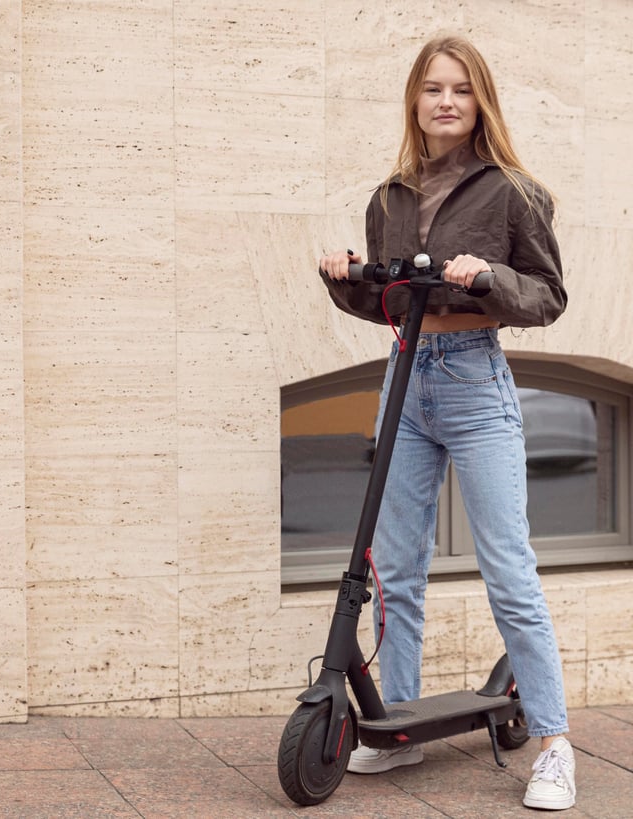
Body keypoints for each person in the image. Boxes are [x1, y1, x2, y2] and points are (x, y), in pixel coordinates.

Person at [319, 35, 575, 811]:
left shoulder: (512, 192)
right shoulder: (391, 195)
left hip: (474, 380)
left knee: (508, 567)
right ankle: (396, 727)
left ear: (480, 101)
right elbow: (390, 303)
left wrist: (489, 276)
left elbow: (547, 296)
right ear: (415, 101)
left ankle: (555, 744)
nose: (445, 102)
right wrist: (344, 278)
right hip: (406, 374)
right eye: (432, 89)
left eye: (460, 90)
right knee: (395, 563)